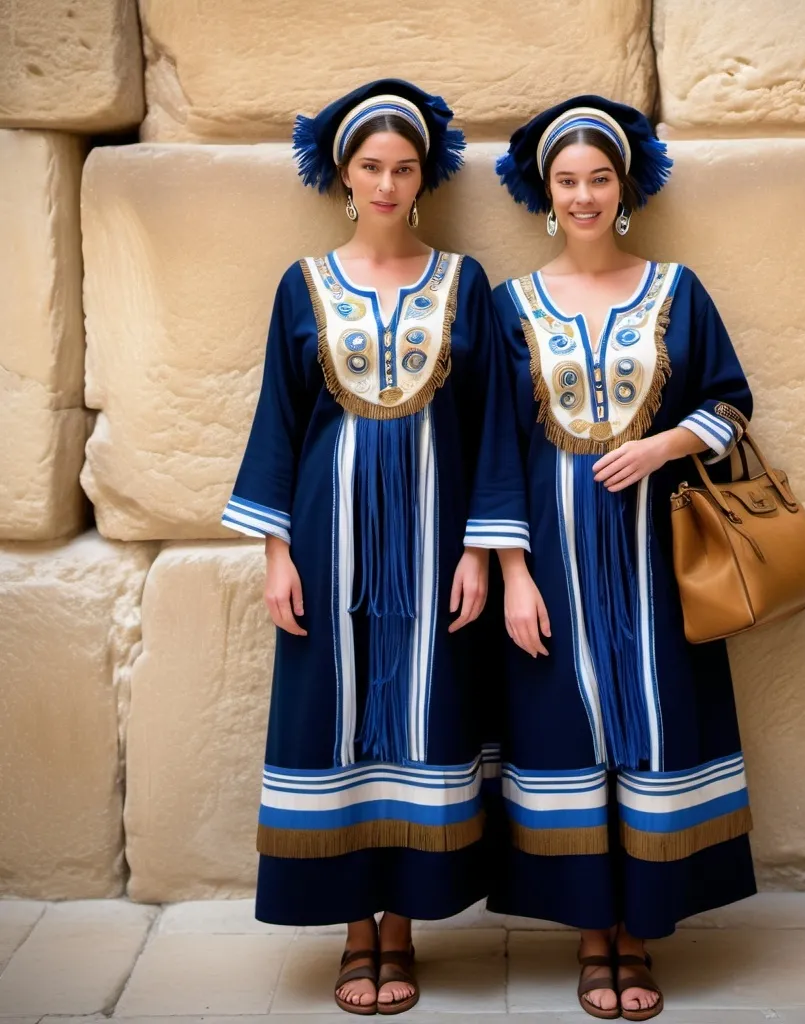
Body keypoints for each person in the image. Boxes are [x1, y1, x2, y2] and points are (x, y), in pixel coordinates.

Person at [221, 79, 527, 1016]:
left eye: (404, 167)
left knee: (427, 715)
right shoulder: (303, 285)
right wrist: (277, 553)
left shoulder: (463, 282)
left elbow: (489, 427)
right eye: (371, 167)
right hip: (327, 544)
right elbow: (280, 418)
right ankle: (358, 929)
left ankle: (406, 927)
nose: (388, 182)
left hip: (436, 549)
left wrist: (482, 551)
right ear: (345, 176)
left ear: (424, 174)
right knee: (337, 717)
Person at [488, 97, 757, 1020]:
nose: (585, 195)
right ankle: (588, 937)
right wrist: (512, 575)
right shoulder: (509, 306)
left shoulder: (678, 291)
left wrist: (661, 445)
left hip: (655, 561)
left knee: (652, 722)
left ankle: (638, 937)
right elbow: (492, 449)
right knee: (564, 728)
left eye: (600, 178)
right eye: (568, 180)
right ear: (545, 193)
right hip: (552, 566)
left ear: (625, 185)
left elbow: (730, 404)